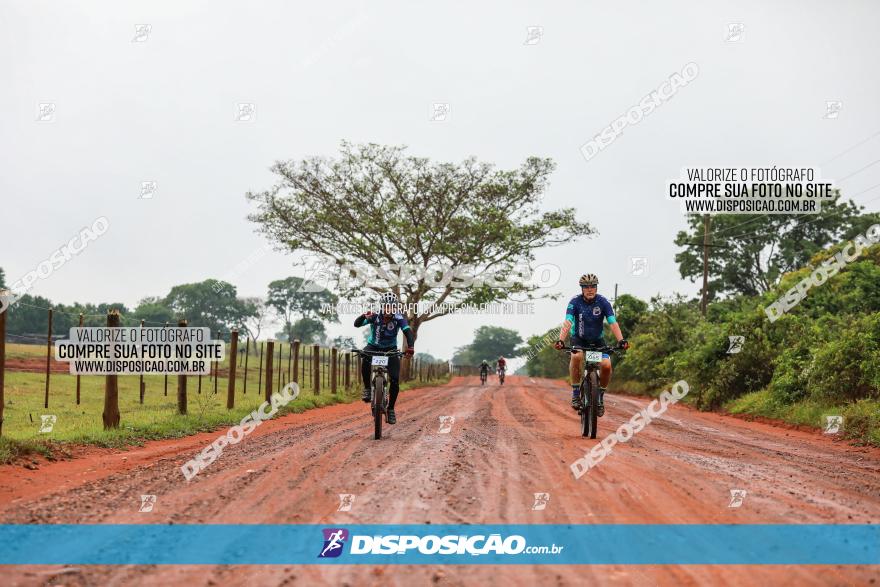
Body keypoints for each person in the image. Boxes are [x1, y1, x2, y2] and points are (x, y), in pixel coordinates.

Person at [553, 274, 629, 414]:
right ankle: (576, 393)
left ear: (596, 287)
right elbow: (568, 321)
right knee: (576, 357)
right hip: (578, 339)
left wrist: (621, 340)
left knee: (606, 365)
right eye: (586, 287)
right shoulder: (575, 302)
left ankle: (599, 397)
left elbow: (612, 322)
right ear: (582, 288)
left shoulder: (603, 302)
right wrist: (561, 340)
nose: (590, 289)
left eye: (593, 286)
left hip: (597, 341)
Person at [354, 292, 415, 424]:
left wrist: (410, 347)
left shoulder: (399, 318)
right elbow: (357, 324)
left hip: (390, 350)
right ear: (382, 307)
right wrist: (363, 316)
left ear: (395, 308)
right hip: (373, 346)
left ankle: (391, 409)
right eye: (386, 306)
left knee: (394, 379)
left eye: (392, 307)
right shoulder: (374, 316)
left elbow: (408, 332)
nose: (389, 309)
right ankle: (367, 389)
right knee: (365, 357)